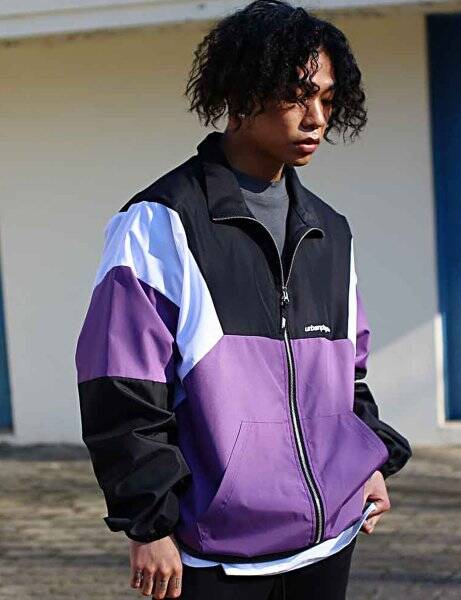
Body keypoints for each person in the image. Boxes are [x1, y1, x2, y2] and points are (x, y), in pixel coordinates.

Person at [75, 1, 412, 598]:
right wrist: (148, 522)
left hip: (330, 540)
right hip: (215, 553)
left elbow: (348, 374)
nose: (317, 118)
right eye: (296, 96)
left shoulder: (330, 232)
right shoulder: (160, 224)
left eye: (327, 99)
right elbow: (121, 387)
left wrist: (366, 459)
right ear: (241, 93)